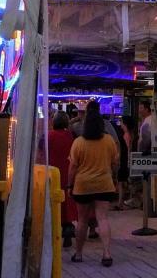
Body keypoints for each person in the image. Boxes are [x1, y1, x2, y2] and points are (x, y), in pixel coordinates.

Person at [68, 101, 119, 267]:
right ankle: (107, 253)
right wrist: (115, 179)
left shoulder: (79, 143)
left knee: (82, 221)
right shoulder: (109, 141)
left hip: (83, 186)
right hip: (104, 184)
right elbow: (115, 163)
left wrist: (70, 186)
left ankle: (79, 253)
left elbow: (73, 167)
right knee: (102, 218)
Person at [48, 111, 77, 248]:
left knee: (53, 201)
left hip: (52, 173)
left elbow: (41, 153)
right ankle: (68, 226)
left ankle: (55, 231)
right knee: (67, 201)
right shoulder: (70, 136)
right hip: (67, 173)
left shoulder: (49, 136)